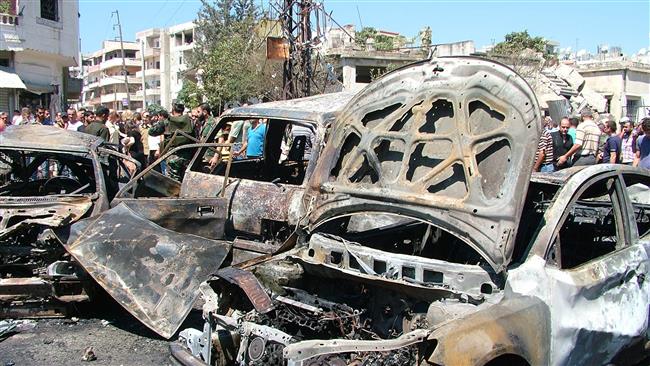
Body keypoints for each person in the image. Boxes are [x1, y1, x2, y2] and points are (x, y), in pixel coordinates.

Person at [148, 103, 194, 180]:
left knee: (172, 181)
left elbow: (151, 132)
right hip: (187, 156)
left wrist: (160, 123)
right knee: (186, 180)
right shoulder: (191, 121)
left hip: (173, 155)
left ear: (173, 110)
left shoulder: (167, 122)